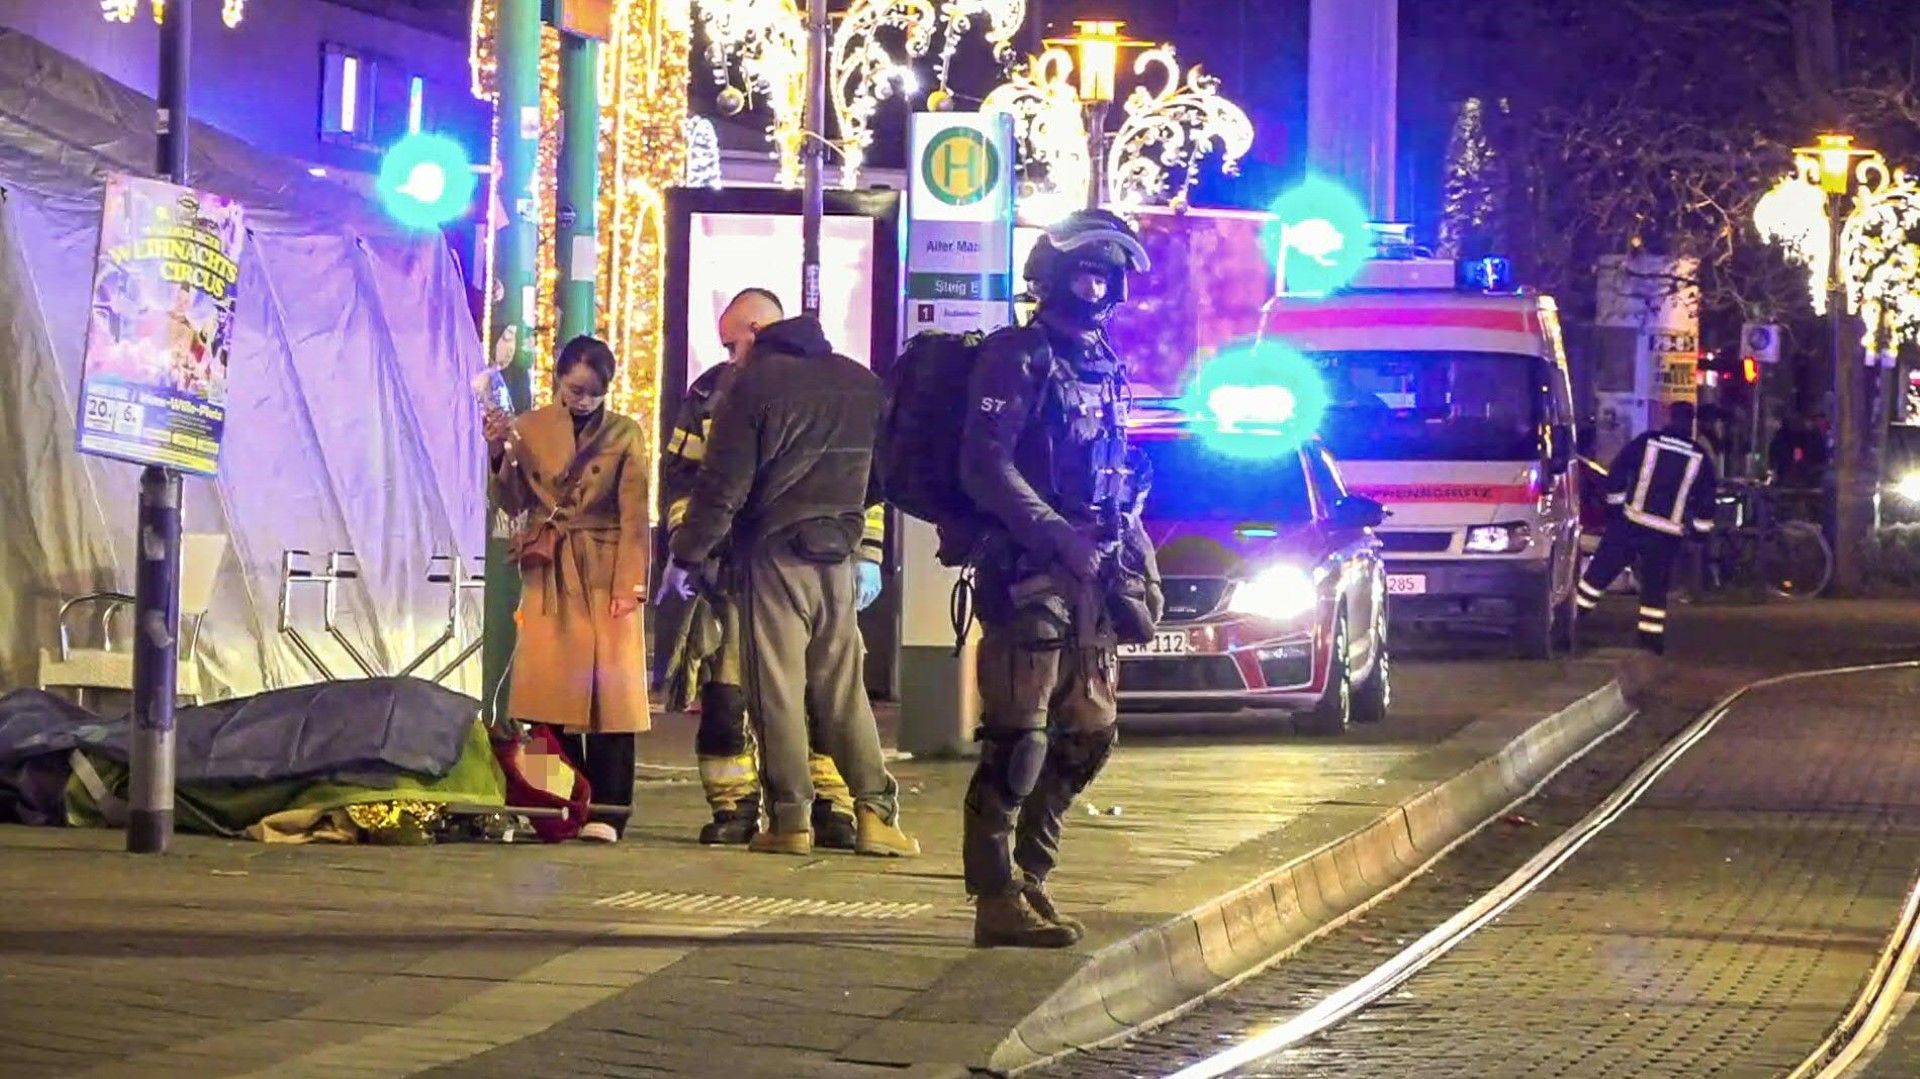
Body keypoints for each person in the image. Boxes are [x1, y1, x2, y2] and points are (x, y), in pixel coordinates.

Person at [957, 210, 1162, 948]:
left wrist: (1125, 525)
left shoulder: (1104, 358)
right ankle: (994, 894)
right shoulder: (1017, 356)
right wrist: (1052, 534)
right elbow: (984, 464)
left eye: (1109, 273)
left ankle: (1032, 875)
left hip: (1097, 570)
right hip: (1029, 571)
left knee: (1090, 735)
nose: (1098, 285)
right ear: (1051, 275)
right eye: (1085, 270)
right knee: (1019, 739)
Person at [663, 298, 917, 859]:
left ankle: (790, 821)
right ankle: (877, 815)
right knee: (843, 691)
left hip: (773, 558)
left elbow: (719, 491)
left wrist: (685, 557)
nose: (731, 357)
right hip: (839, 555)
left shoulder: (749, 388)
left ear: (757, 330)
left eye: (734, 343)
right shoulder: (860, 382)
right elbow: (885, 476)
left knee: (773, 692)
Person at [484, 336, 651, 842]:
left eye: (594, 394)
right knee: (541, 695)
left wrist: (631, 584)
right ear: (558, 378)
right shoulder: (530, 427)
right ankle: (556, 803)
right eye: (576, 390)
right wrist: (497, 451)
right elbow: (511, 501)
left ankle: (608, 809)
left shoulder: (625, 432)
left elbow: (635, 513)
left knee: (611, 698)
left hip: (603, 565)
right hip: (550, 567)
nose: (582, 401)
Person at [1575, 401, 1718, 654]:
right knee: (1655, 588)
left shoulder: (1647, 442)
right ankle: (1650, 641)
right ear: (1691, 422)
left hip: (1631, 523)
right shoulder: (1699, 457)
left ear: (1669, 417)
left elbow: (1617, 473)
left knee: (1598, 576)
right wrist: (1698, 533)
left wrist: (1616, 507)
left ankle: (1572, 622)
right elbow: (1706, 501)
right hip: (1666, 535)